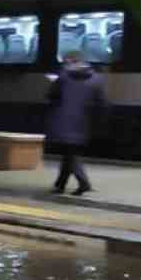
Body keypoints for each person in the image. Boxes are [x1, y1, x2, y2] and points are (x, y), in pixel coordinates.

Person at [46, 51, 108, 195]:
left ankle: (83, 183)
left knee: (71, 154)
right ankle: (60, 185)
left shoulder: (64, 77)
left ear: (70, 61)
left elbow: (51, 95)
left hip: (64, 120)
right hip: (84, 122)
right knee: (70, 152)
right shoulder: (97, 79)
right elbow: (103, 103)